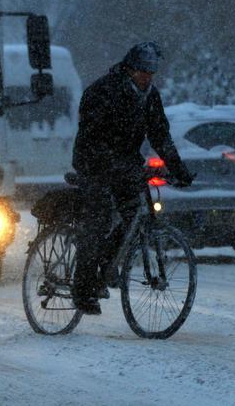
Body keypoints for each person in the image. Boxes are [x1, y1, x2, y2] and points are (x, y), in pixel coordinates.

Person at [71, 41, 194, 315]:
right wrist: (112, 164)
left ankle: (106, 262)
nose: (147, 77)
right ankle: (82, 288)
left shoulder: (150, 96)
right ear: (128, 68)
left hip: (125, 164)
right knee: (99, 218)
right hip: (93, 163)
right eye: (142, 72)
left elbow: (160, 135)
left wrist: (178, 169)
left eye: (151, 73)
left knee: (131, 217)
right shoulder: (103, 91)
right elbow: (91, 137)